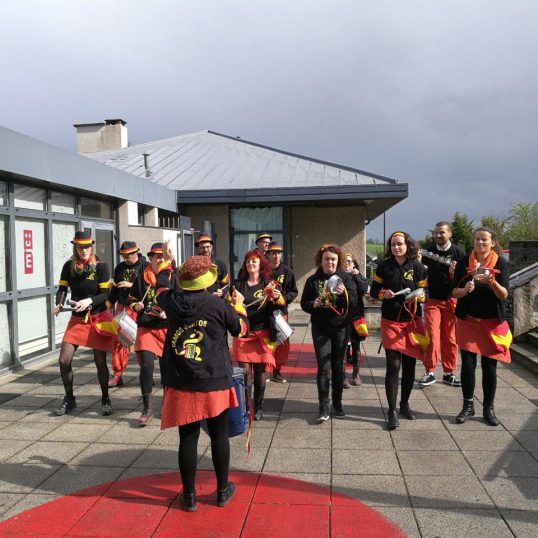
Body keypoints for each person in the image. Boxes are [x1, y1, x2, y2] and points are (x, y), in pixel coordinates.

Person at [156, 249, 249, 512]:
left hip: (181, 379)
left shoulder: (171, 301)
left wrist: (167, 263)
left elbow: (160, 285)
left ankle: (189, 496)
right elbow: (241, 329)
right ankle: (221, 491)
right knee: (219, 435)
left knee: (188, 437)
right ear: (207, 281)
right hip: (213, 379)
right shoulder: (219, 305)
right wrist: (239, 305)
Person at [451, 227, 511, 426]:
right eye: (477, 239)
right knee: (468, 365)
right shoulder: (464, 263)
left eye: (484, 239)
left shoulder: (501, 263)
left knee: (489, 366)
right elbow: (453, 292)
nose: (480, 243)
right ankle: (468, 406)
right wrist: (465, 290)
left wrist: (492, 281)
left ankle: (488, 408)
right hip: (468, 320)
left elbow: (504, 295)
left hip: (492, 322)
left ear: (492, 242)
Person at [370, 231, 428, 430]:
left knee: (410, 366)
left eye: (400, 244)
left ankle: (405, 404)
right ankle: (392, 410)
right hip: (390, 322)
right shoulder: (383, 267)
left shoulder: (418, 267)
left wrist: (419, 297)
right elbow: (373, 292)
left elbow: (424, 292)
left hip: (412, 322)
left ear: (407, 245)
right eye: (393, 244)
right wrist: (383, 294)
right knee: (394, 366)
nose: (396, 247)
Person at [53, 230, 115, 416]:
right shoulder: (68, 266)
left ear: (91, 247)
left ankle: (105, 398)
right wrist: (58, 303)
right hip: (77, 320)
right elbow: (62, 289)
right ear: (76, 248)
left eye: (87, 247)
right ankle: (70, 399)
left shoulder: (101, 267)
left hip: (97, 318)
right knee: (64, 360)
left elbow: (106, 295)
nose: (84, 250)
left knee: (100, 361)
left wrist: (89, 301)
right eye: (81, 247)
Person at [300, 243, 358, 422]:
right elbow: (304, 304)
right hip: (320, 328)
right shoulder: (312, 280)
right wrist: (313, 304)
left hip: (340, 328)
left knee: (338, 366)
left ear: (338, 260)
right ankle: (323, 406)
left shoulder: (345, 278)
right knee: (324, 368)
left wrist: (343, 295)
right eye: (326, 259)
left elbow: (354, 303)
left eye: (333, 259)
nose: (330, 262)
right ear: (321, 260)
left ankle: (338, 404)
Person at [231, 249, 285, 420]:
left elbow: (280, 305)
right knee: (245, 372)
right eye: (248, 261)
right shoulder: (238, 284)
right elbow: (231, 306)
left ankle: (259, 406)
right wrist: (234, 303)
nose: (250, 264)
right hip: (243, 334)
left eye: (254, 261)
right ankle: (246, 407)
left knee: (261, 370)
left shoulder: (269, 283)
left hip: (263, 333)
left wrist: (277, 297)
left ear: (261, 264)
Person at [418, 222, 465, 388]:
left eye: (442, 233)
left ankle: (449, 373)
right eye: (436, 233)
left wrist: (455, 274)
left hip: (451, 300)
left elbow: (465, 279)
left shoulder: (458, 253)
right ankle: (429, 371)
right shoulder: (428, 251)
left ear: (450, 233)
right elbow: (420, 272)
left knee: (451, 339)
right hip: (432, 300)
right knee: (431, 336)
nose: (438, 236)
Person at [128, 243, 168, 426]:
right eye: (156, 256)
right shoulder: (141, 277)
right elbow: (131, 300)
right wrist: (136, 306)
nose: (159, 259)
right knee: (146, 367)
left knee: (169, 369)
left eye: (162, 256)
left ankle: (169, 403)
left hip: (167, 328)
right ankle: (147, 407)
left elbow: (181, 300)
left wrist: (169, 311)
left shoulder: (171, 277)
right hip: (146, 328)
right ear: (150, 258)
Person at [108, 241, 146, 387]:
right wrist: (108, 304)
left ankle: (146, 372)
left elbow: (150, 285)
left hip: (139, 307)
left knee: (141, 342)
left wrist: (131, 285)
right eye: (123, 255)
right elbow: (115, 290)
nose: (125, 258)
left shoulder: (145, 265)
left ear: (135, 253)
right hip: (122, 307)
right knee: (119, 342)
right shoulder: (120, 268)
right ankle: (117, 374)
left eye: (127, 256)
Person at [266, 241, 298, 383]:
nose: (276, 256)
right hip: (263, 312)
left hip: (280, 312)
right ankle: (264, 370)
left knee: (282, 342)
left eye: (279, 253)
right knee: (265, 341)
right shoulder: (262, 271)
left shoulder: (287, 271)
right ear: (267, 254)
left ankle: (277, 371)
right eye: (273, 253)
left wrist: (284, 299)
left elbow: (294, 292)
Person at [342, 253, 368, 386]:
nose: (346, 263)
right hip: (341, 317)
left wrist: (356, 275)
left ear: (354, 264)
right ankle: (343, 377)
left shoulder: (358, 276)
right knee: (341, 347)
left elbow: (364, 290)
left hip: (357, 316)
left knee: (356, 346)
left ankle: (356, 374)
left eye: (349, 261)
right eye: (344, 261)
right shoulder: (337, 276)